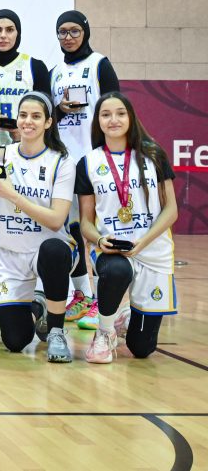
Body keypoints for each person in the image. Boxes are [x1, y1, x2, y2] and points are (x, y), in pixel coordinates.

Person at [75, 92, 178, 364]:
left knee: (142, 349)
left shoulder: (153, 154)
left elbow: (171, 210)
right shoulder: (89, 163)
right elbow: (86, 222)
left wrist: (144, 241)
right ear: (97, 121)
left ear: (131, 117)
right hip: (113, 251)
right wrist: (99, 240)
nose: (114, 120)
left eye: (120, 113)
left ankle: (126, 316)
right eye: (105, 114)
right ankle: (105, 332)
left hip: (152, 249)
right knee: (117, 270)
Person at [0, 93, 76, 362]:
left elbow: (56, 220)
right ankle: (38, 306)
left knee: (54, 251)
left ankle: (56, 331)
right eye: (23, 115)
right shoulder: (2, 155)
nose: (27, 122)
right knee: (15, 341)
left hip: (48, 249)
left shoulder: (62, 161)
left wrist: (11, 194)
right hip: (10, 254)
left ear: (48, 122)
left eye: (35, 116)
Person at [0, 8, 52, 324]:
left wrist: (23, 129)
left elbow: (48, 111)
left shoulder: (34, 66)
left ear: (18, 33)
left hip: (29, 153)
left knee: (34, 221)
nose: (3, 35)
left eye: (9, 29)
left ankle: (40, 294)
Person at [50, 10, 120, 327]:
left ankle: (105, 301)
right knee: (70, 230)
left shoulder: (99, 64)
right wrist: (61, 110)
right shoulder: (54, 72)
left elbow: (116, 108)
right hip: (63, 161)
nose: (68, 37)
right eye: (62, 32)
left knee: (98, 228)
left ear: (85, 32)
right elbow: (47, 117)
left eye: (74, 31)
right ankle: (83, 295)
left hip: (95, 160)